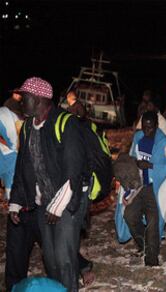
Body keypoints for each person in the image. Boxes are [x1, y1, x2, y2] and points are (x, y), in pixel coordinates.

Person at [6, 77, 89, 291]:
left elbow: (75, 171)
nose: (21, 102)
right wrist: (16, 202)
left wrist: (58, 205)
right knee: (50, 260)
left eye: (24, 98)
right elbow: (23, 168)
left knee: (64, 259)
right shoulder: (26, 128)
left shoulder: (66, 123)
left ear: (38, 98)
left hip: (68, 201)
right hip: (44, 202)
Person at [125, 111, 166, 266]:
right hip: (138, 186)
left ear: (156, 125)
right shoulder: (138, 137)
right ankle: (145, 245)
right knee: (129, 215)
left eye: (150, 128)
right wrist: (128, 188)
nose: (147, 131)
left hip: (155, 188)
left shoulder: (165, 143)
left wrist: (151, 166)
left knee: (153, 221)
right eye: (144, 127)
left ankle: (152, 259)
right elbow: (131, 158)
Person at [0, 106, 23, 201]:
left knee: (11, 193)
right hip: (9, 158)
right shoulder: (5, 115)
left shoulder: (4, 116)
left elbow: (15, 145)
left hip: (10, 158)